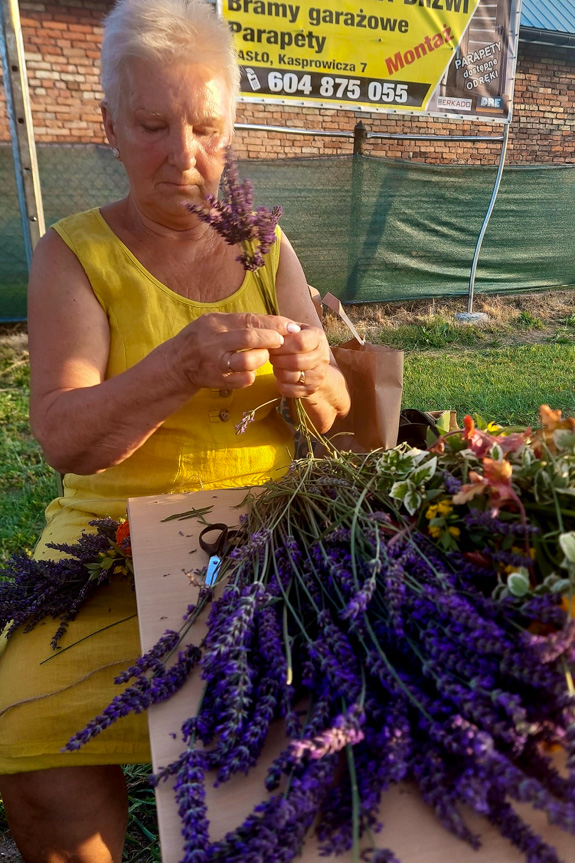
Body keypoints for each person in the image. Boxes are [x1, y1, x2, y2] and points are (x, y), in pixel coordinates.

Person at [0, 0, 350, 859]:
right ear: (109, 125)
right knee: (25, 726)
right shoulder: (72, 254)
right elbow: (66, 436)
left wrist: (312, 377)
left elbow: (336, 403)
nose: (185, 156)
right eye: (153, 125)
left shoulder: (266, 247)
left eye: (206, 127)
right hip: (108, 544)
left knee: (333, 707)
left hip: (267, 535)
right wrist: (172, 370)